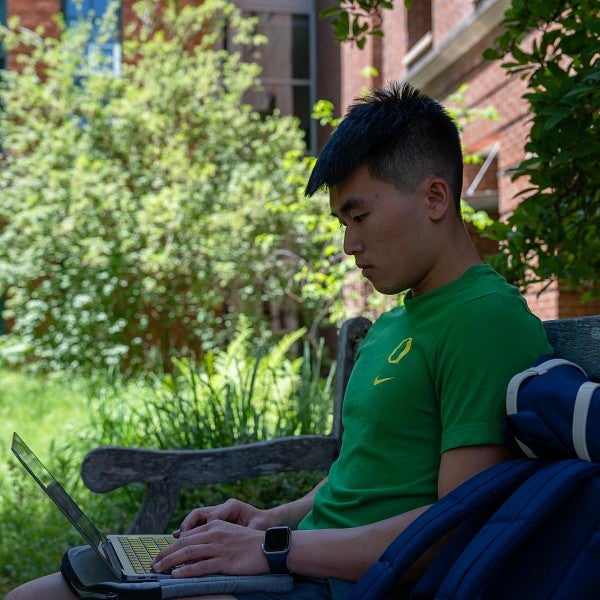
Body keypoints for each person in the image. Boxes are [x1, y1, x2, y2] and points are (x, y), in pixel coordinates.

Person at [8, 82, 553, 600]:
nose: (348, 244)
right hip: (296, 570)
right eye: (343, 221)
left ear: (435, 197)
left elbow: (451, 532)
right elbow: (358, 482)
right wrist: (268, 520)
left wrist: (271, 550)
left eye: (359, 216)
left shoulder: (484, 319)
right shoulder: (393, 325)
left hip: (340, 585)